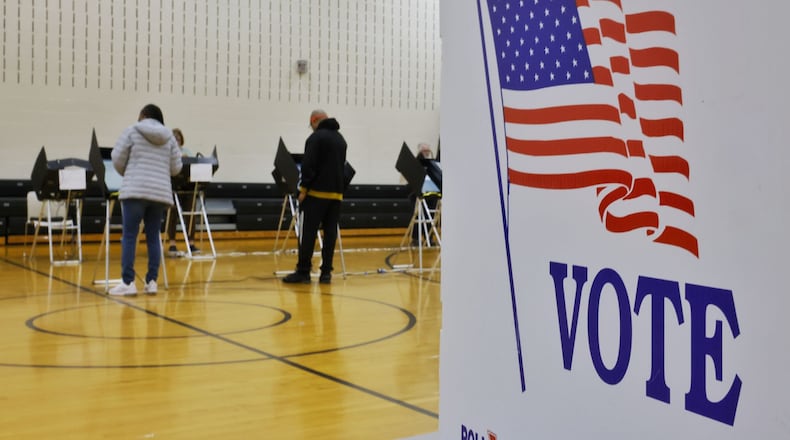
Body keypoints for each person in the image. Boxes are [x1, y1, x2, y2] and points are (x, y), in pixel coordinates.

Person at [108, 104, 183, 296]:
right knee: (153, 237)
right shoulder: (170, 138)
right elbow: (176, 168)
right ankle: (152, 282)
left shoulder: (132, 130)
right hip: (159, 194)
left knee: (130, 236)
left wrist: (129, 172)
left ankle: (128, 282)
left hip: (135, 190)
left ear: (143, 115)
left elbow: (116, 158)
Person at [282, 109, 348, 284]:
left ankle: (303, 271)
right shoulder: (341, 139)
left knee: (308, 233)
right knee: (330, 234)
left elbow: (308, 166)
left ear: (314, 121)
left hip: (315, 195)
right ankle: (326, 273)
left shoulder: (315, 138)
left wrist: (303, 189)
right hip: (336, 195)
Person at [165, 128, 200, 257]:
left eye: (178, 138)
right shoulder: (167, 152)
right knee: (173, 214)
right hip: (173, 187)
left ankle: (191, 243)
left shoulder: (187, 152)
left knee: (191, 214)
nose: (177, 140)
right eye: (174, 138)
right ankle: (172, 244)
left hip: (187, 187)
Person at [411, 142, 441, 245]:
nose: (427, 152)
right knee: (419, 216)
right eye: (424, 150)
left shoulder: (433, 163)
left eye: (428, 150)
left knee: (431, 216)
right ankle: (416, 238)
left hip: (432, 192)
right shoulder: (416, 162)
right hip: (419, 193)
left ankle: (429, 238)